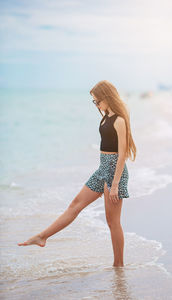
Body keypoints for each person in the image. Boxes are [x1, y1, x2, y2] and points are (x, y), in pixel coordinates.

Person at [18, 80, 137, 267]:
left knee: (113, 222)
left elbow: (122, 155)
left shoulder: (120, 120)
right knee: (75, 205)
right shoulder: (105, 116)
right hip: (102, 169)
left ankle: (118, 266)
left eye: (97, 101)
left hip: (116, 172)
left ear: (107, 97)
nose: (96, 105)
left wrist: (114, 185)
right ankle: (42, 237)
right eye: (94, 102)